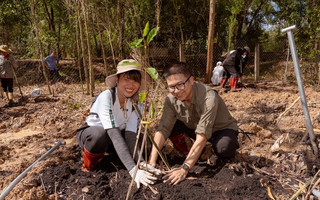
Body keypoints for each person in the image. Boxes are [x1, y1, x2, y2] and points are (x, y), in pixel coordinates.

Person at [148, 62, 239, 185]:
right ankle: (193, 153)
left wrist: (184, 168)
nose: (176, 91)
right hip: (195, 128)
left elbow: (202, 134)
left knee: (223, 148)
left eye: (180, 85)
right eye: (171, 87)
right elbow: (163, 129)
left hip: (220, 130)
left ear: (191, 80)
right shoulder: (171, 99)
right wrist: (151, 163)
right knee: (171, 126)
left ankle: (210, 151)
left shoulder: (208, 97)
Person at [76, 59, 161, 189]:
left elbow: (131, 135)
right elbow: (114, 134)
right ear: (117, 80)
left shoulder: (136, 103)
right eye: (126, 79)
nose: (131, 85)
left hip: (115, 137)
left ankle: (117, 158)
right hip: (93, 135)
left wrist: (141, 163)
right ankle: (89, 165)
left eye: (135, 80)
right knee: (100, 135)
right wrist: (133, 170)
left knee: (144, 141)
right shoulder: (107, 96)